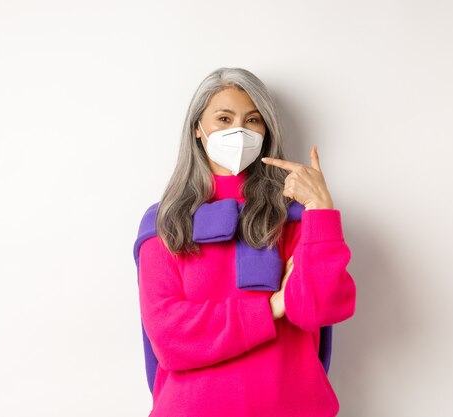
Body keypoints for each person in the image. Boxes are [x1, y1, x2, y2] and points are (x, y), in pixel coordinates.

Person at [135, 67, 356, 416]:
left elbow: (320, 308)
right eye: (224, 118)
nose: (238, 130)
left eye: (252, 120)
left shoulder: (293, 217)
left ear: (266, 130)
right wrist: (272, 307)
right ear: (198, 128)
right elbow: (170, 336)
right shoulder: (164, 223)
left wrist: (320, 210)